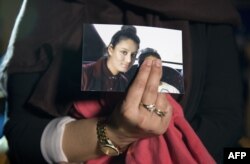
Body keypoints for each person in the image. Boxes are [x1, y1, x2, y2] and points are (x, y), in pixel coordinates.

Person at [3, 0, 244, 164]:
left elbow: (225, 126)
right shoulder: (52, 6)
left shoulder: (210, 9)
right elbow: (21, 137)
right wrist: (116, 133)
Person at [81, 25, 140, 92]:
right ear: (110, 50)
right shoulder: (84, 74)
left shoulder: (124, 82)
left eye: (133, 54)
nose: (129, 60)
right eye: (124, 52)